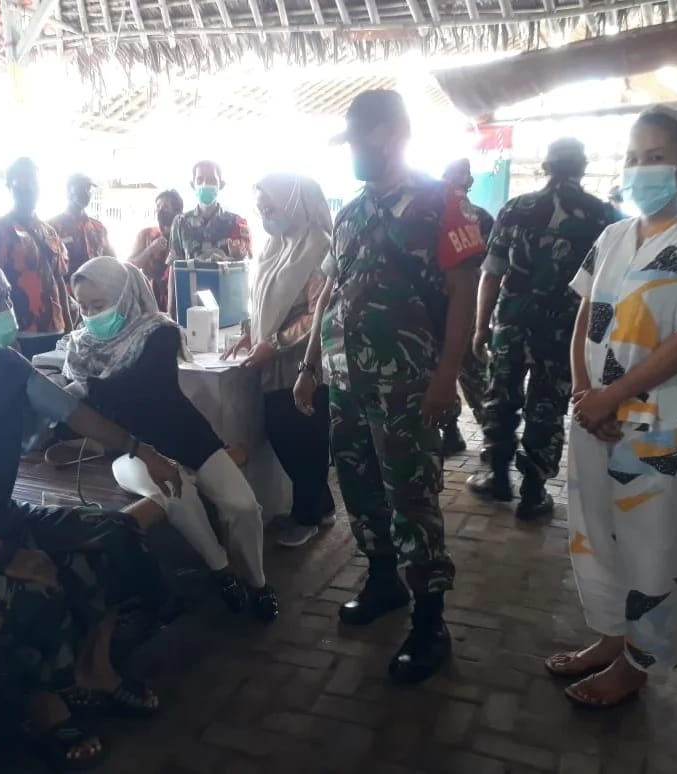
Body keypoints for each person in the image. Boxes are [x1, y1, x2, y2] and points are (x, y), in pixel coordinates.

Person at [0, 249, 183, 768]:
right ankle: (46, 707)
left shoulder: (8, 365)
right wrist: (5, 555)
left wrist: (142, 450)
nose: (6, 310)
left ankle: (95, 671)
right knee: (39, 589)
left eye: (5, 297)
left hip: (4, 516)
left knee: (116, 535)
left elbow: (73, 412)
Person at [294, 90, 486, 684]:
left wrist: (447, 377)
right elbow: (329, 294)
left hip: (407, 385)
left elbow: (463, 294)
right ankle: (383, 581)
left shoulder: (444, 204)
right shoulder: (351, 211)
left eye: (359, 138)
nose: (352, 150)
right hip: (346, 381)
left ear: (391, 135)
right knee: (358, 483)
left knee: (413, 497)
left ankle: (431, 623)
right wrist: (308, 365)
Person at [545, 106, 677, 708]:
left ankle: (637, 663)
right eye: (632, 158)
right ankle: (609, 636)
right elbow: (586, 313)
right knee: (594, 532)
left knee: (651, 545)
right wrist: (585, 390)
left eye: (656, 157)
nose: (640, 169)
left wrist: (613, 396)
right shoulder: (612, 236)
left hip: (657, 428)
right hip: (593, 416)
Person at [64, 257, 278, 622]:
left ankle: (258, 580)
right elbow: (87, 410)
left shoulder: (158, 331)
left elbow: (143, 394)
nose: (90, 316)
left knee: (243, 505)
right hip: (127, 448)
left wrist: (82, 392)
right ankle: (222, 570)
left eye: (99, 305)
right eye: (83, 307)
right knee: (177, 495)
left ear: (124, 296)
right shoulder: (79, 347)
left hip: (185, 437)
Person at [467, 138, 610, 519]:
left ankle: (497, 476)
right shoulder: (603, 216)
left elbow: (491, 274)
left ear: (545, 167)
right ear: (583, 167)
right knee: (547, 405)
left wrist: (481, 328)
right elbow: (605, 290)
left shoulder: (515, 209)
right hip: (565, 333)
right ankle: (534, 493)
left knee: (501, 398)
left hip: (511, 325)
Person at [223, 173, 336, 548]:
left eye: (271, 208)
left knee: (302, 440)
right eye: (261, 209)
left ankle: (306, 518)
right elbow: (263, 302)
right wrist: (251, 333)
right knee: (286, 435)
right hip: (273, 363)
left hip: (305, 363)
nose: (265, 216)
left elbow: (318, 313)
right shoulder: (275, 246)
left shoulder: (318, 248)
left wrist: (275, 341)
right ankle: (320, 506)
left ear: (294, 204)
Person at [0, 157, 72, 360]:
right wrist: (6, 337)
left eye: (33, 183)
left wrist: (69, 327)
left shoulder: (49, 232)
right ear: (9, 187)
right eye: (21, 185)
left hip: (55, 329)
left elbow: (59, 280)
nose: (28, 189)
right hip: (20, 333)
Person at [441, 158, 495, 457]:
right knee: (443, 373)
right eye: (453, 174)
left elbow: (490, 269)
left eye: (463, 175)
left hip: (469, 307)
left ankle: (491, 435)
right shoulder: (436, 214)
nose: (458, 180)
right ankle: (450, 431)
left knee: (473, 374)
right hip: (443, 307)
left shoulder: (481, 219)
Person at [49, 173, 114, 279]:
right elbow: (48, 268)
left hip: (96, 287)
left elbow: (112, 261)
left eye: (88, 189)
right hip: (66, 287)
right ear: (68, 192)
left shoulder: (98, 228)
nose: (86, 193)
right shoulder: (52, 227)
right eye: (80, 188)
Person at [129, 189, 183, 314]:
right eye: (158, 207)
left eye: (165, 207)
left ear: (177, 211)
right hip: (149, 303)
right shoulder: (146, 235)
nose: (160, 211)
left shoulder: (185, 238)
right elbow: (129, 267)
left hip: (177, 301)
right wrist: (150, 249)